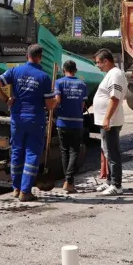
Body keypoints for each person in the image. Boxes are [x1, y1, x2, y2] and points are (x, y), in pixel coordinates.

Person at [0, 44, 57, 202]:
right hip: (35, 119)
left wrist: (7, 100)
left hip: (17, 119)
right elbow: (49, 105)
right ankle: (26, 192)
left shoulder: (15, 71)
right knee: (32, 154)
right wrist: (57, 101)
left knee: (17, 152)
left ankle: (16, 188)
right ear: (40, 58)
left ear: (27, 56)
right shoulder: (44, 77)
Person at [92, 48, 127, 196]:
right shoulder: (110, 74)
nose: (98, 66)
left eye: (99, 63)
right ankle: (109, 182)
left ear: (106, 61)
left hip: (110, 122)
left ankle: (116, 185)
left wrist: (107, 118)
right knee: (106, 151)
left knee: (112, 153)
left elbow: (114, 98)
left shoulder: (115, 75)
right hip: (106, 121)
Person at [53, 60, 87, 194]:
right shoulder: (82, 84)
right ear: (76, 70)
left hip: (62, 122)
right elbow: (82, 106)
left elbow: (58, 100)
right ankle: (69, 181)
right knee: (74, 151)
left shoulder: (59, 82)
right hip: (77, 122)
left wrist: (52, 109)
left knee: (64, 151)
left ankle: (68, 181)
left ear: (63, 70)